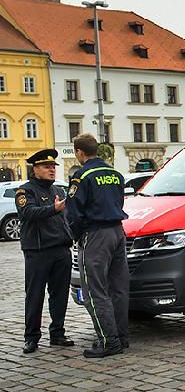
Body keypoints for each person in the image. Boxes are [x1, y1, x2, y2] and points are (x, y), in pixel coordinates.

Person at [67, 134, 129, 358]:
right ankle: (121, 337)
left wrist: (76, 236)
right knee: (118, 288)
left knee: (95, 290)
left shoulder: (81, 176)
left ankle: (108, 340)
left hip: (95, 235)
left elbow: (73, 212)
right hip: (117, 231)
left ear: (79, 152)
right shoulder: (115, 174)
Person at [15, 149, 75, 354]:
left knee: (59, 295)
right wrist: (54, 209)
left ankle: (57, 333)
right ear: (35, 169)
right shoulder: (25, 191)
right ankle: (31, 337)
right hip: (38, 251)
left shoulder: (57, 190)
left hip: (61, 249)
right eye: (47, 167)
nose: (52, 170)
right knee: (35, 295)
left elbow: (65, 216)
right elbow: (28, 212)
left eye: (53, 167)